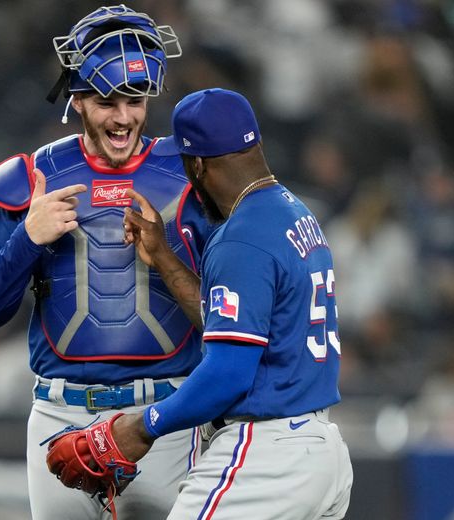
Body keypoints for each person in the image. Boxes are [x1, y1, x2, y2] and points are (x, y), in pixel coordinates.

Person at [0, 6, 213, 519]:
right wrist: (28, 239)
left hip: (164, 416)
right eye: (106, 100)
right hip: (59, 414)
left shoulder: (194, 175)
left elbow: (230, 314)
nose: (123, 116)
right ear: (77, 99)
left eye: (135, 99)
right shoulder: (33, 178)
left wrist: (165, 256)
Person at [109, 88, 354, 519]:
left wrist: (144, 426)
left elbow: (228, 373)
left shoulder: (240, 236)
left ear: (198, 165)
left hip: (266, 457)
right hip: (321, 451)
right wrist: (165, 258)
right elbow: (234, 328)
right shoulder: (293, 213)